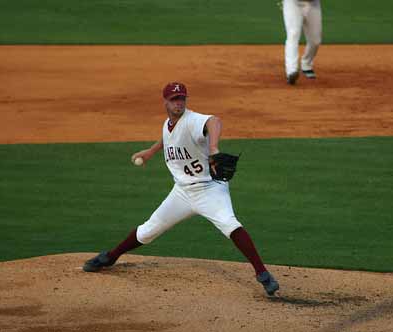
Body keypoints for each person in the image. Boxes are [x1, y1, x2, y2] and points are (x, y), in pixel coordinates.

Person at [82, 82, 279, 297]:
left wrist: (213, 148)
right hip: (182, 192)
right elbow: (168, 138)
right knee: (149, 230)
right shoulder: (168, 123)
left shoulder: (192, 121)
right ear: (165, 102)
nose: (179, 103)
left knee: (230, 225)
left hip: (209, 189)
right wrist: (151, 151)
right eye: (175, 99)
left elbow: (214, 121)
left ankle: (263, 274)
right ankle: (110, 257)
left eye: (182, 99)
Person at [282, 0, 322, 85]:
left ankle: (306, 63)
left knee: (315, 40)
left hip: (313, 4)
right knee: (293, 34)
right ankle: (291, 71)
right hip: (293, 4)